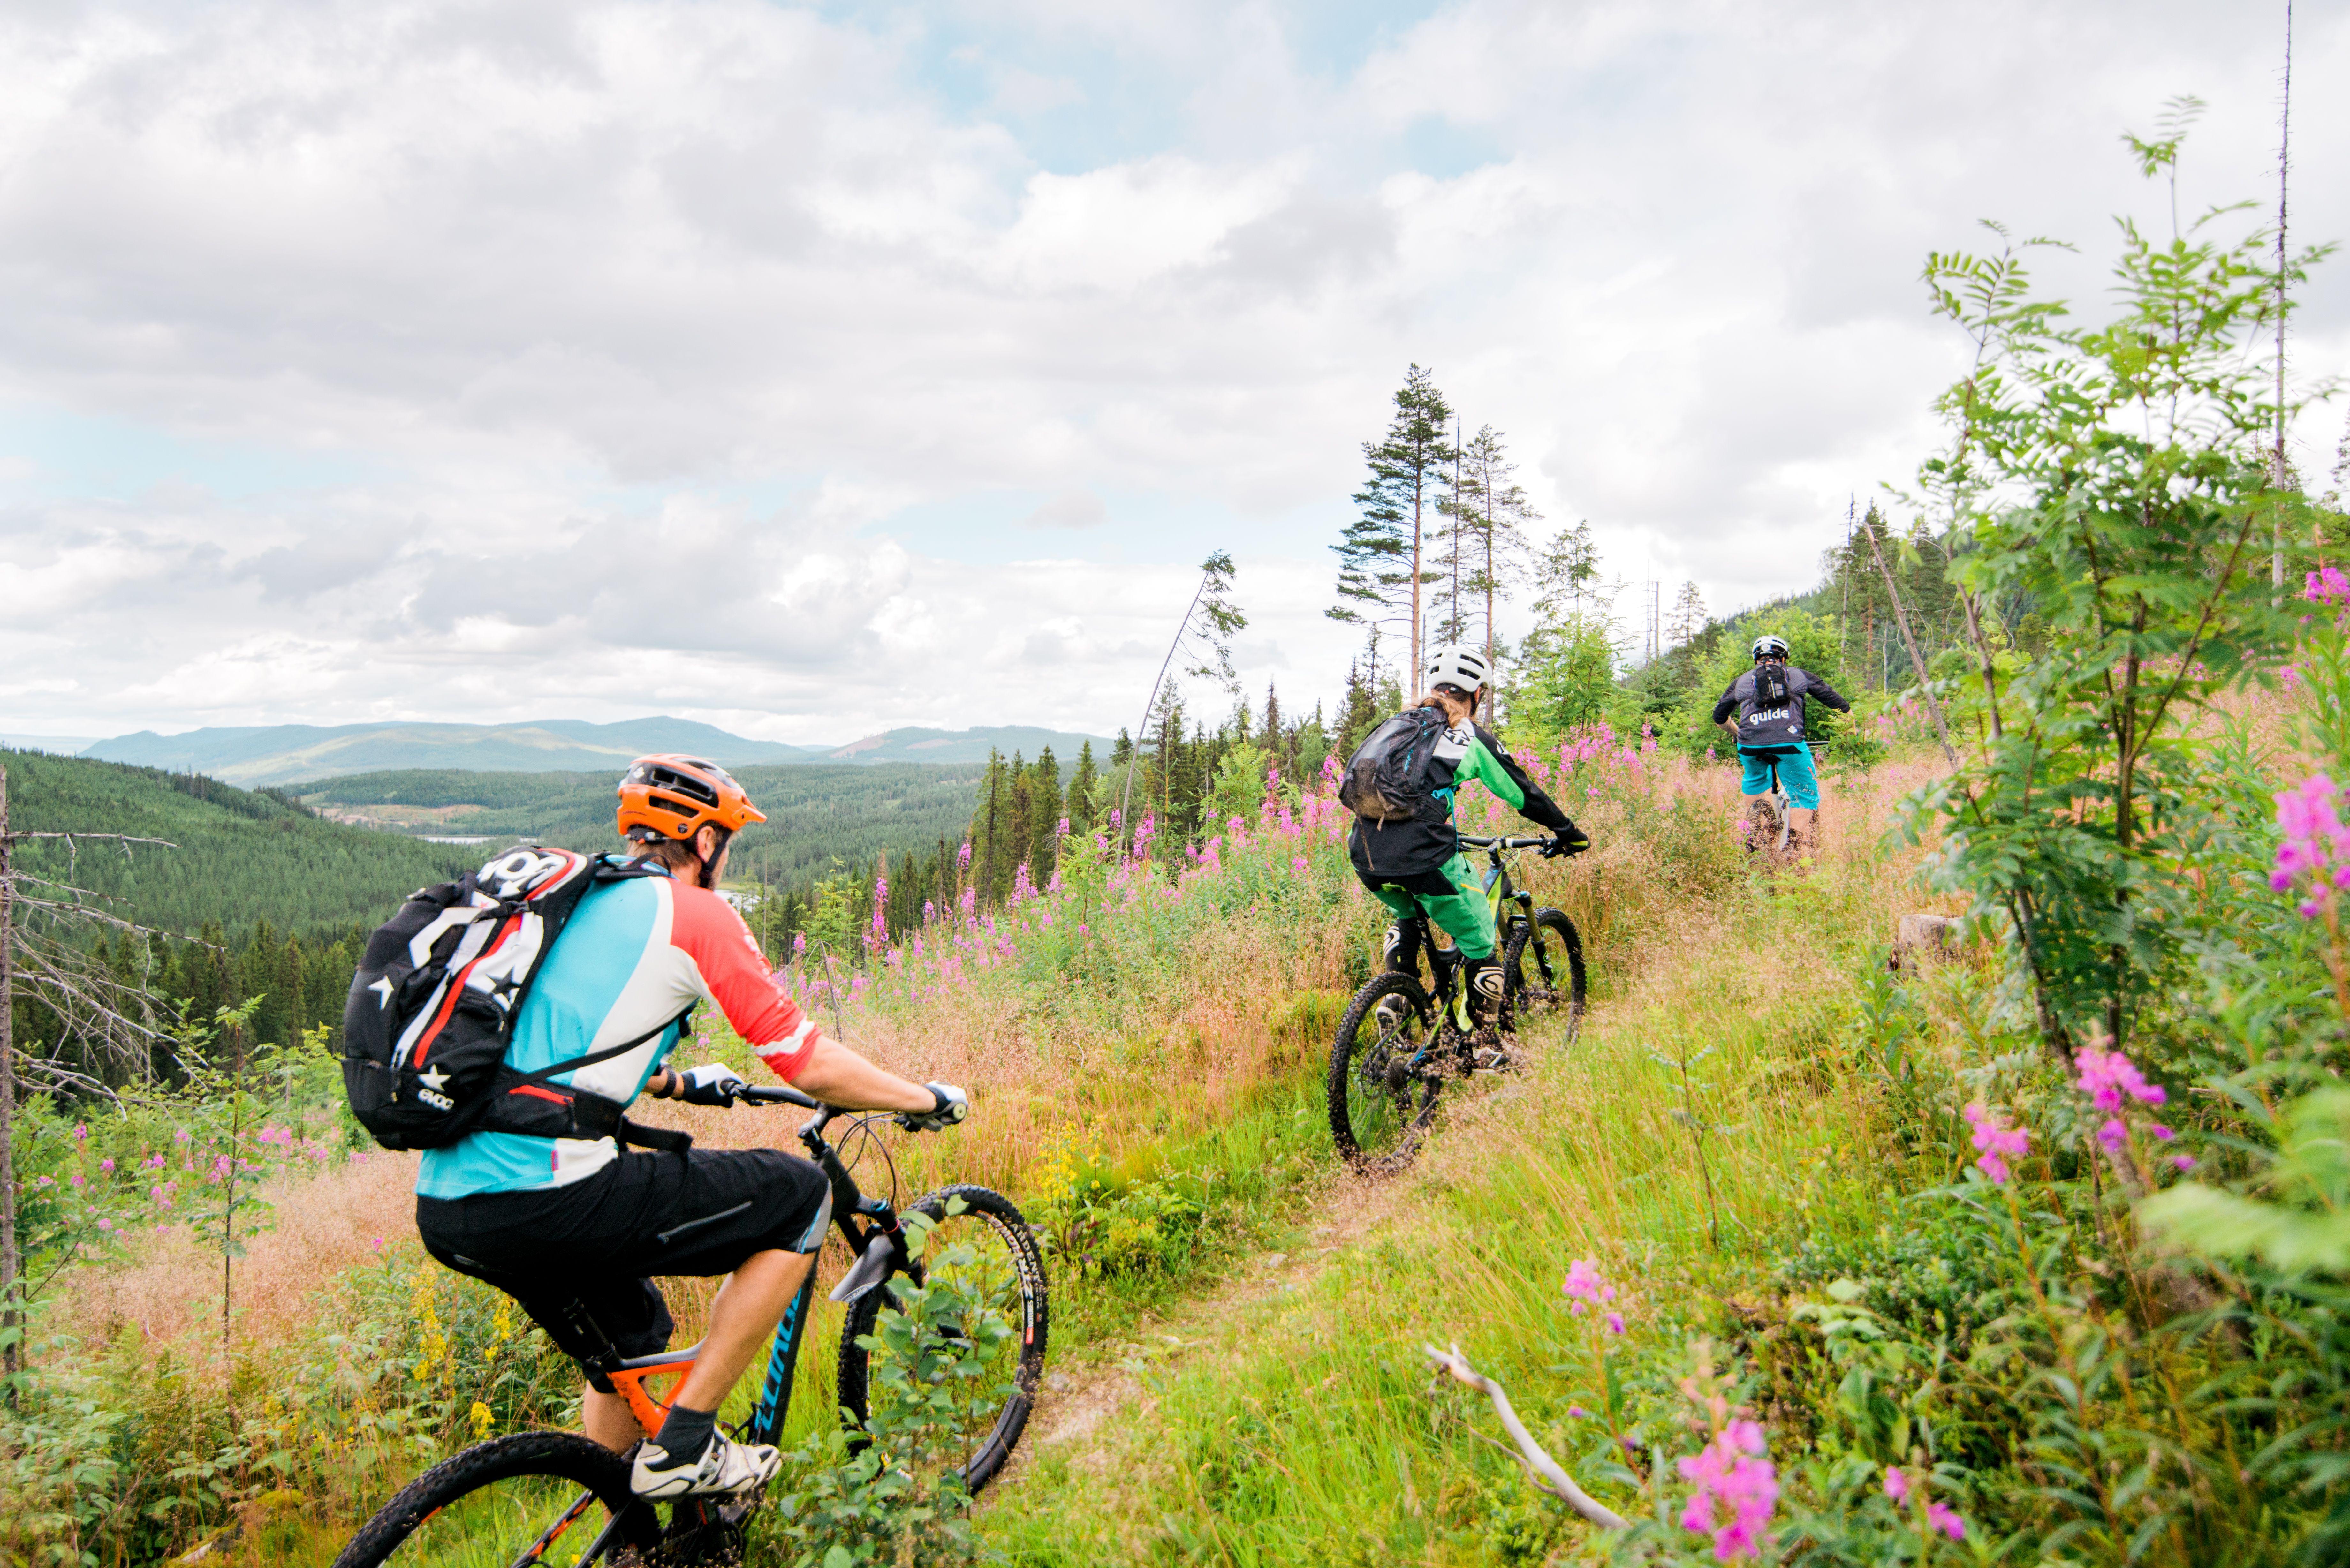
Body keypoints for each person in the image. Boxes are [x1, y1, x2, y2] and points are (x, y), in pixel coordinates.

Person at [411, 754, 969, 1502]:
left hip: (451, 1201)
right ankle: (686, 1443)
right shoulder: (696, 912)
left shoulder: (577, 901)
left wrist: (678, 1080)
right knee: (801, 1195)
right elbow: (803, 1058)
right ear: (704, 842)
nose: (728, 853)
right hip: (546, 1192)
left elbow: (563, 1047)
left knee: (635, 1342)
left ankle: (622, 1531)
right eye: (728, 839)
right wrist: (920, 1098)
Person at [1346, 646, 1588, 1058]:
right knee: (1479, 941)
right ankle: (1484, 1047)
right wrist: (1568, 832)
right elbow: (1521, 792)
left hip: (1366, 856)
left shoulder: (1399, 725)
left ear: (1435, 688)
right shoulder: (1468, 736)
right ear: (1477, 695)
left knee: (1407, 911)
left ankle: (1398, 1001)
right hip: (1424, 858)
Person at [1711, 635, 1851, 848]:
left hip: (1750, 745)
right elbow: (1839, 704)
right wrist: (1851, 732)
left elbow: (1719, 718)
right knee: (1804, 793)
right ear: (1784, 659)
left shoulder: (1741, 681)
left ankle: (1755, 832)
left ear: (1756, 659)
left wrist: (1740, 733)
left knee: (1754, 779)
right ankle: (1794, 848)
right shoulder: (1797, 675)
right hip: (1789, 743)